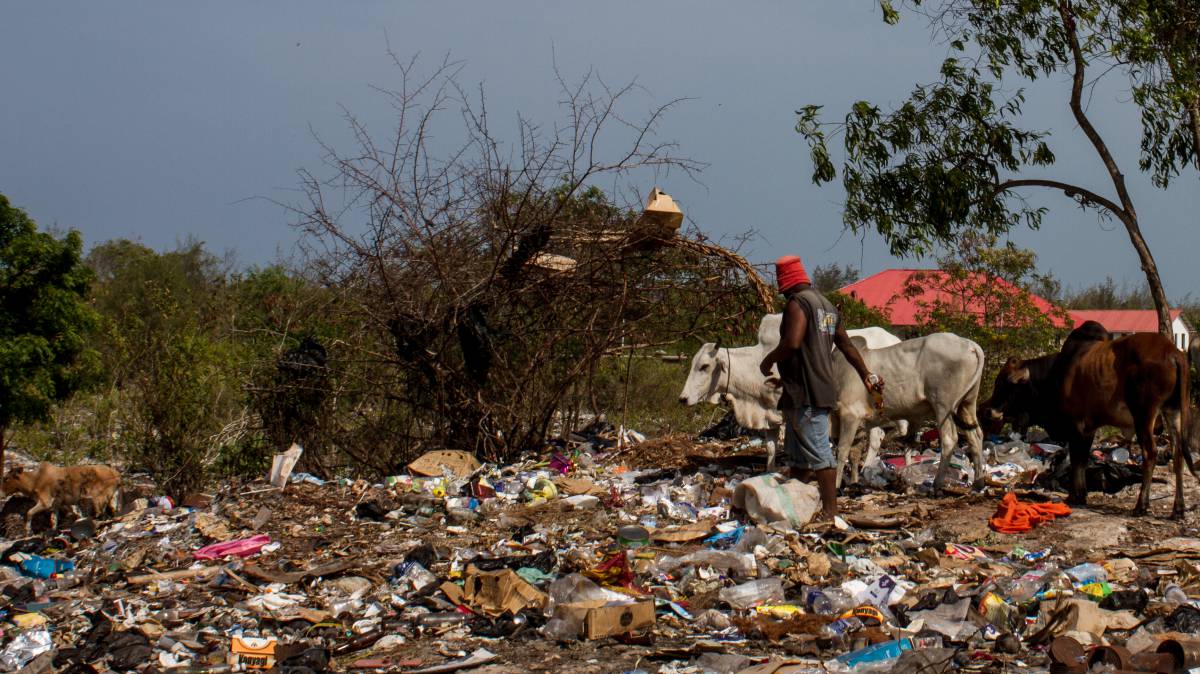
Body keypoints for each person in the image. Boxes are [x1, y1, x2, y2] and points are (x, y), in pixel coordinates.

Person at [759, 255, 880, 520]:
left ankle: (831, 512)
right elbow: (846, 345)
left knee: (820, 454)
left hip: (807, 392)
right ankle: (799, 507)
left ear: (785, 281)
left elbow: (792, 342)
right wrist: (866, 374)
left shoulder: (798, 303)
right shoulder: (826, 305)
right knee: (799, 458)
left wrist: (767, 360)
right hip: (811, 387)